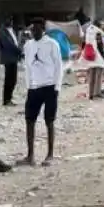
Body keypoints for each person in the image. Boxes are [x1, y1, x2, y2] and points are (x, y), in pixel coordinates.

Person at [21, 18, 63, 167]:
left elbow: (59, 66)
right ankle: (30, 155)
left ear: (43, 29)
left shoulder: (52, 44)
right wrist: (28, 85)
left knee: (49, 120)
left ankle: (50, 154)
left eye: (37, 29)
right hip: (34, 87)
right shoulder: (28, 45)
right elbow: (27, 66)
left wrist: (57, 87)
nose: (34, 32)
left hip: (50, 86)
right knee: (29, 120)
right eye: (32, 29)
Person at [76, 20, 104, 100]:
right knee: (98, 76)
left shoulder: (88, 32)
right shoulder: (98, 33)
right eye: (102, 25)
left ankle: (91, 94)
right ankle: (97, 93)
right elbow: (101, 48)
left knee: (91, 76)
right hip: (98, 58)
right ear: (98, 26)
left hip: (90, 57)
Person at [0, 16, 22, 106]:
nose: (10, 21)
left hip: (13, 58)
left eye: (10, 19)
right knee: (9, 80)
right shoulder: (1, 32)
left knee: (13, 80)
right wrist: (19, 51)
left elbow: (15, 42)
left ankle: (9, 98)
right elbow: (8, 44)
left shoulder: (11, 30)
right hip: (8, 58)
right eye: (7, 19)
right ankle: (6, 100)